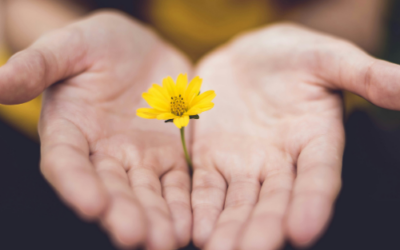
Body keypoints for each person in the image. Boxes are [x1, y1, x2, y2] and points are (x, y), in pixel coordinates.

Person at [0, 0, 398, 249]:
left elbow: (358, 7)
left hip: (290, 120)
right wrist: (60, 42)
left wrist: (315, 45)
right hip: (84, 116)